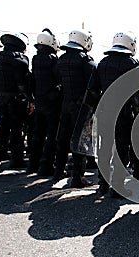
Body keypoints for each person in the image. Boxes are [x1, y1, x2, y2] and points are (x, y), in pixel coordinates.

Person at [81, 31, 139, 197]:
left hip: (104, 112)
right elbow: (137, 97)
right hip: (123, 113)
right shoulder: (133, 64)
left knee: (104, 148)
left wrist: (95, 111)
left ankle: (102, 183)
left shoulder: (103, 63)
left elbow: (92, 91)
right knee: (121, 149)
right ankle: (117, 186)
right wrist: (138, 116)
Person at [54, 30, 95, 187]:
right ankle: (78, 177)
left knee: (62, 138)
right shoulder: (85, 61)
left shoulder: (62, 59)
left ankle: (58, 171)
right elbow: (92, 86)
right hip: (81, 107)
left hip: (65, 104)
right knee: (80, 141)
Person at [26, 29, 62, 176]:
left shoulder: (35, 59)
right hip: (51, 102)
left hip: (39, 100)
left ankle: (32, 164)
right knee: (52, 135)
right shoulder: (53, 59)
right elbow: (58, 80)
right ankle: (46, 165)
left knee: (37, 134)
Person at [0, 32, 33, 167]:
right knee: (17, 129)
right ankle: (16, 159)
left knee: (3, 126)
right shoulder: (20, 60)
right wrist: (30, 99)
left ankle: (1, 153)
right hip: (16, 98)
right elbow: (23, 83)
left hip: (3, 96)